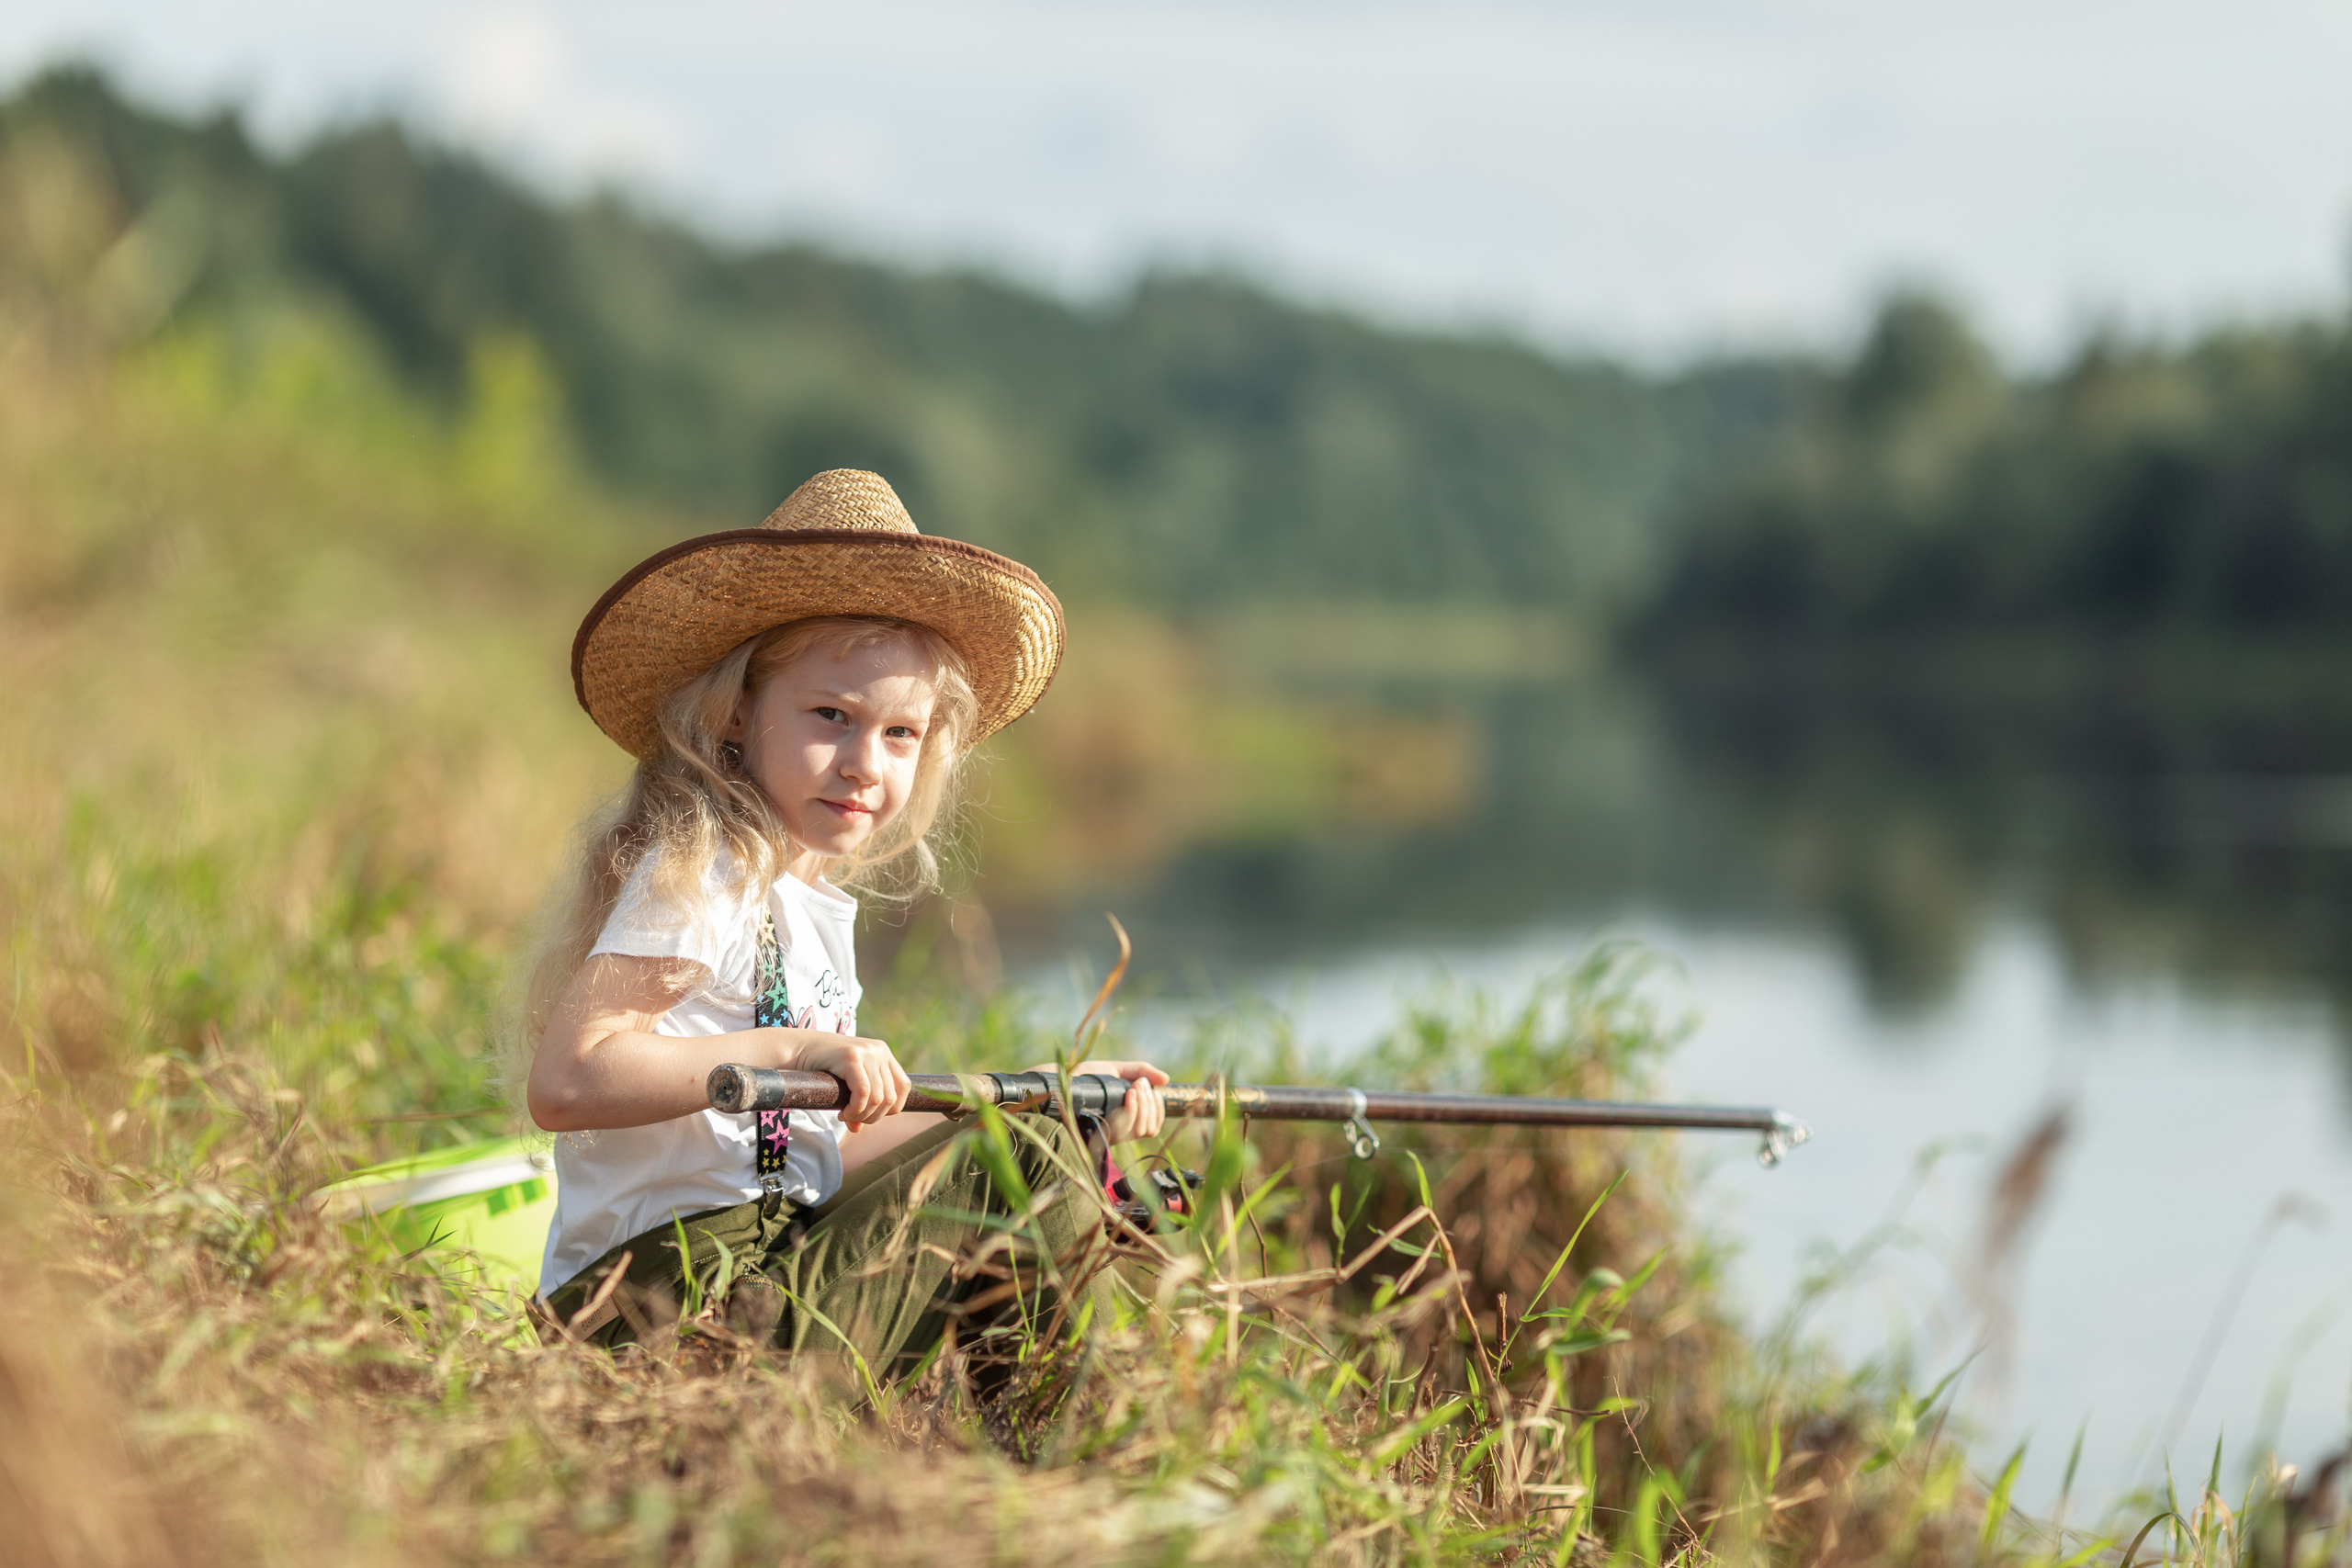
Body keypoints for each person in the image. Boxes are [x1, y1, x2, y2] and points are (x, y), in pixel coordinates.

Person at [521, 468, 1168, 1373]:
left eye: (900, 734)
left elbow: (828, 1142)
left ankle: (1027, 1448)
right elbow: (570, 1078)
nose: (865, 764)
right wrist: (790, 1049)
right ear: (740, 712)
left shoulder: (803, 902)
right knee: (1034, 1160)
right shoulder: (706, 870)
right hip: (659, 1299)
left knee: (1036, 1142)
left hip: (768, 1266)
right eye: (833, 716)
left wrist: (1043, 1098)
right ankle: (1066, 1453)